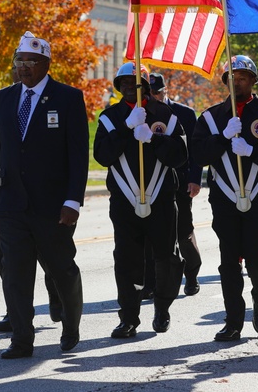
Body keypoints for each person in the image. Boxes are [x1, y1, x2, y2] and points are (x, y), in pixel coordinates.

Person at [0, 31, 89, 359]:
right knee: (16, 274)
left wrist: (73, 200)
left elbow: (78, 155)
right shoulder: (5, 98)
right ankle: (22, 340)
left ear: (45, 64)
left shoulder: (68, 98)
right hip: (12, 204)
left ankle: (71, 326)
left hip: (53, 206)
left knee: (61, 269)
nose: (23, 67)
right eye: (20, 61)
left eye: (31, 61)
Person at [191, 55, 258, 342]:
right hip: (223, 199)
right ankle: (233, 320)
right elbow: (198, 155)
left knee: (257, 260)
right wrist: (222, 138)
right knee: (228, 261)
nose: (237, 81)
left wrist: (252, 151)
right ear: (225, 82)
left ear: (253, 80)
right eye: (231, 77)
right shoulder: (211, 118)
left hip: (257, 197)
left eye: (243, 77)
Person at [93, 63, 187, 338]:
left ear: (145, 87)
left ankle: (162, 308)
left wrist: (154, 140)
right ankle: (129, 318)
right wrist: (126, 128)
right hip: (124, 200)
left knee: (166, 257)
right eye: (122, 83)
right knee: (126, 259)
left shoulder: (165, 115)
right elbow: (102, 156)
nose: (126, 87)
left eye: (132, 83)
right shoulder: (110, 118)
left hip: (161, 197)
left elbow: (180, 156)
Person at [0, 92, 62, 335]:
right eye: (17, 63)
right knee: (9, 261)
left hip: (41, 194)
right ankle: (17, 314)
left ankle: (57, 292)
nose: (21, 69)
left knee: (48, 254)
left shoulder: (48, 99)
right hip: (8, 193)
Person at [149, 72, 204, 296]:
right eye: (149, 93)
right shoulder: (143, 114)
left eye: (156, 93)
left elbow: (196, 149)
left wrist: (195, 178)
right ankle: (156, 283)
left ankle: (191, 274)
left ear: (165, 92)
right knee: (156, 236)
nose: (153, 97)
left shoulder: (184, 113)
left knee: (183, 232)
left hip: (180, 182)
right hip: (153, 184)